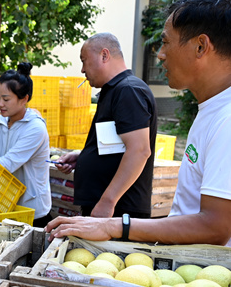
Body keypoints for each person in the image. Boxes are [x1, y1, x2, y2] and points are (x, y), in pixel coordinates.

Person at [47, 0, 231, 256]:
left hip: (225, 280)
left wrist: (116, 226)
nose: (160, 54)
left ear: (201, 46)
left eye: (166, 42)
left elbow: (215, 227)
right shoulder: (228, 103)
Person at [54, 33, 157, 218]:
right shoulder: (114, 90)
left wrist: (108, 201)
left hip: (119, 211)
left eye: (84, 61)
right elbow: (118, 145)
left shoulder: (128, 91)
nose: (82, 70)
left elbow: (139, 150)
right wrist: (84, 156)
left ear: (104, 55)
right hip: (106, 208)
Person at [0, 63, 52, 227]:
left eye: (6, 99)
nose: (0, 104)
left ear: (24, 99)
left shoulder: (35, 128)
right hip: (3, 204)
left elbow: (8, 163)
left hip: (30, 210)